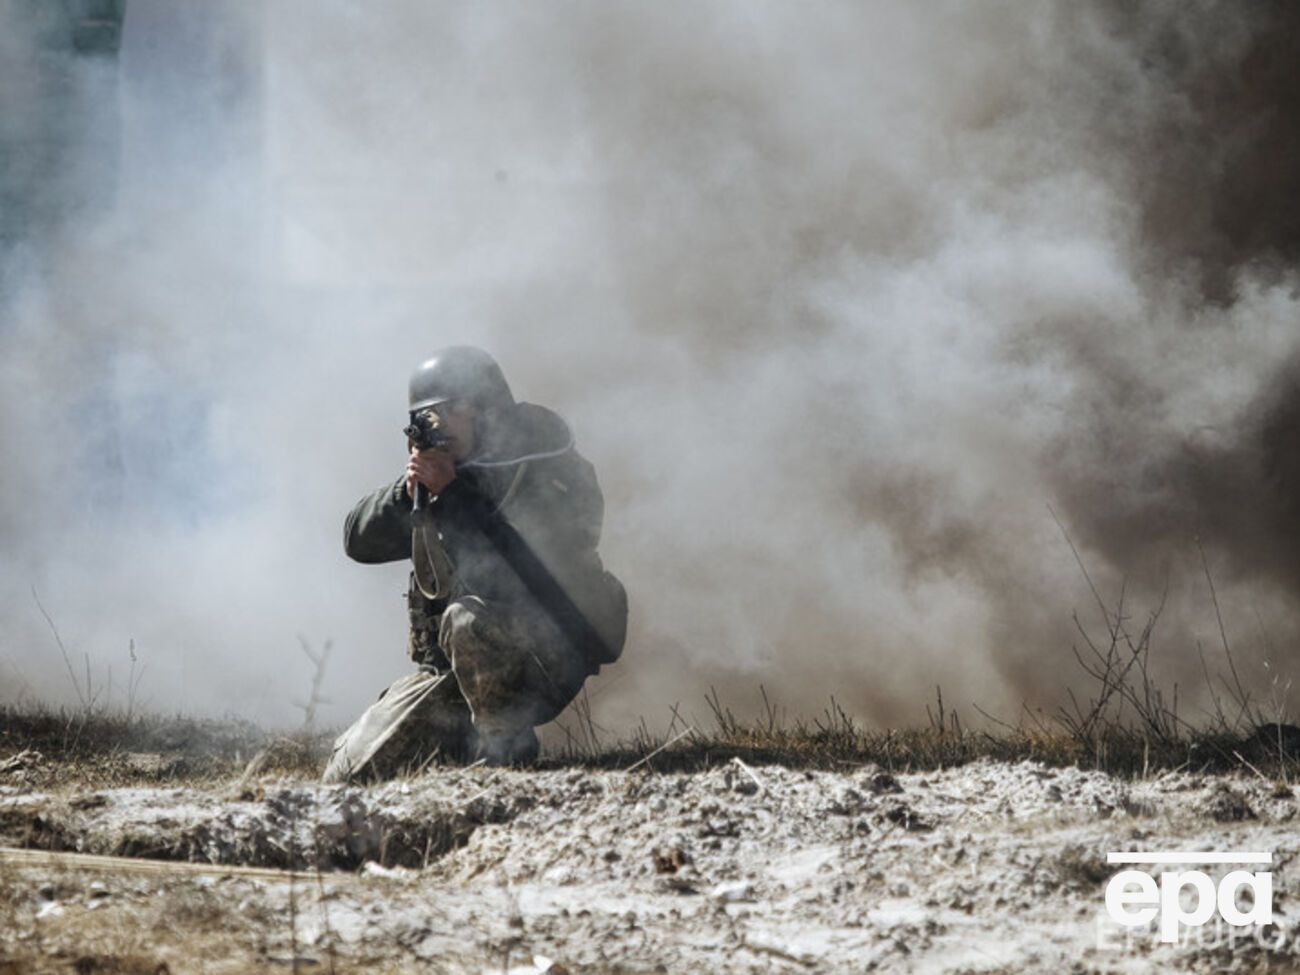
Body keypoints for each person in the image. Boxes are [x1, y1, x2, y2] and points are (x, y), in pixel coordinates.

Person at [322, 346, 627, 782]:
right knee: (349, 774)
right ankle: (463, 741)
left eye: (449, 411)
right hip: (460, 669)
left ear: (487, 410)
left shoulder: (546, 470)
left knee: (468, 620)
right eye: (427, 416)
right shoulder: (447, 475)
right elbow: (358, 541)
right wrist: (408, 493)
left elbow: (530, 569)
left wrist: (455, 496)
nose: (437, 426)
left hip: (546, 651)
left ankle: (506, 752)